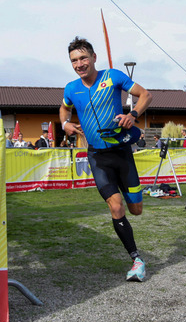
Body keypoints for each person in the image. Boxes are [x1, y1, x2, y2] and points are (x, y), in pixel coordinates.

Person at [59, 37, 152, 282]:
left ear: (94, 58)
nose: (79, 64)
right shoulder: (71, 88)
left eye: (83, 58)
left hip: (122, 154)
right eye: (74, 60)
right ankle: (136, 259)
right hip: (98, 157)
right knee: (116, 205)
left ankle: (132, 199)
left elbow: (145, 95)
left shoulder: (113, 76)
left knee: (136, 210)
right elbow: (64, 108)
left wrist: (132, 114)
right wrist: (65, 123)